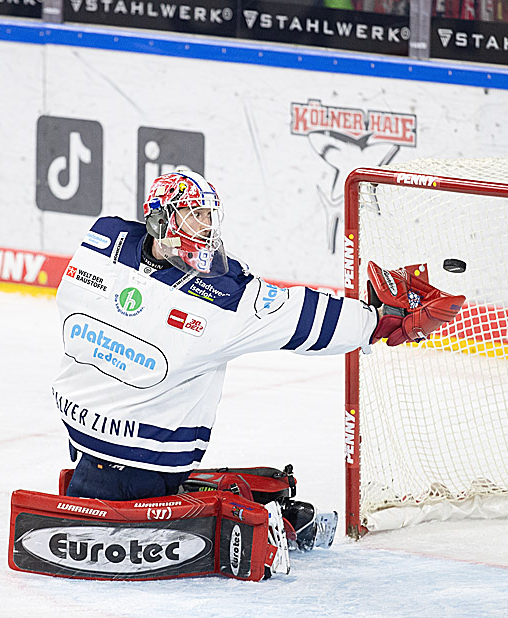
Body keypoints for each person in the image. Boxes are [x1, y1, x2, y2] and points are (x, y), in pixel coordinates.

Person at [51, 170, 461, 554]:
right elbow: (294, 316)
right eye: (194, 216)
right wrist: (376, 320)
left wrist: (370, 317)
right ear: (160, 222)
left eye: (209, 216)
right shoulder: (221, 300)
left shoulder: (102, 241)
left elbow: (294, 311)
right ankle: (275, 520)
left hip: (82, 429)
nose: (207, 228)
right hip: (145, 456)